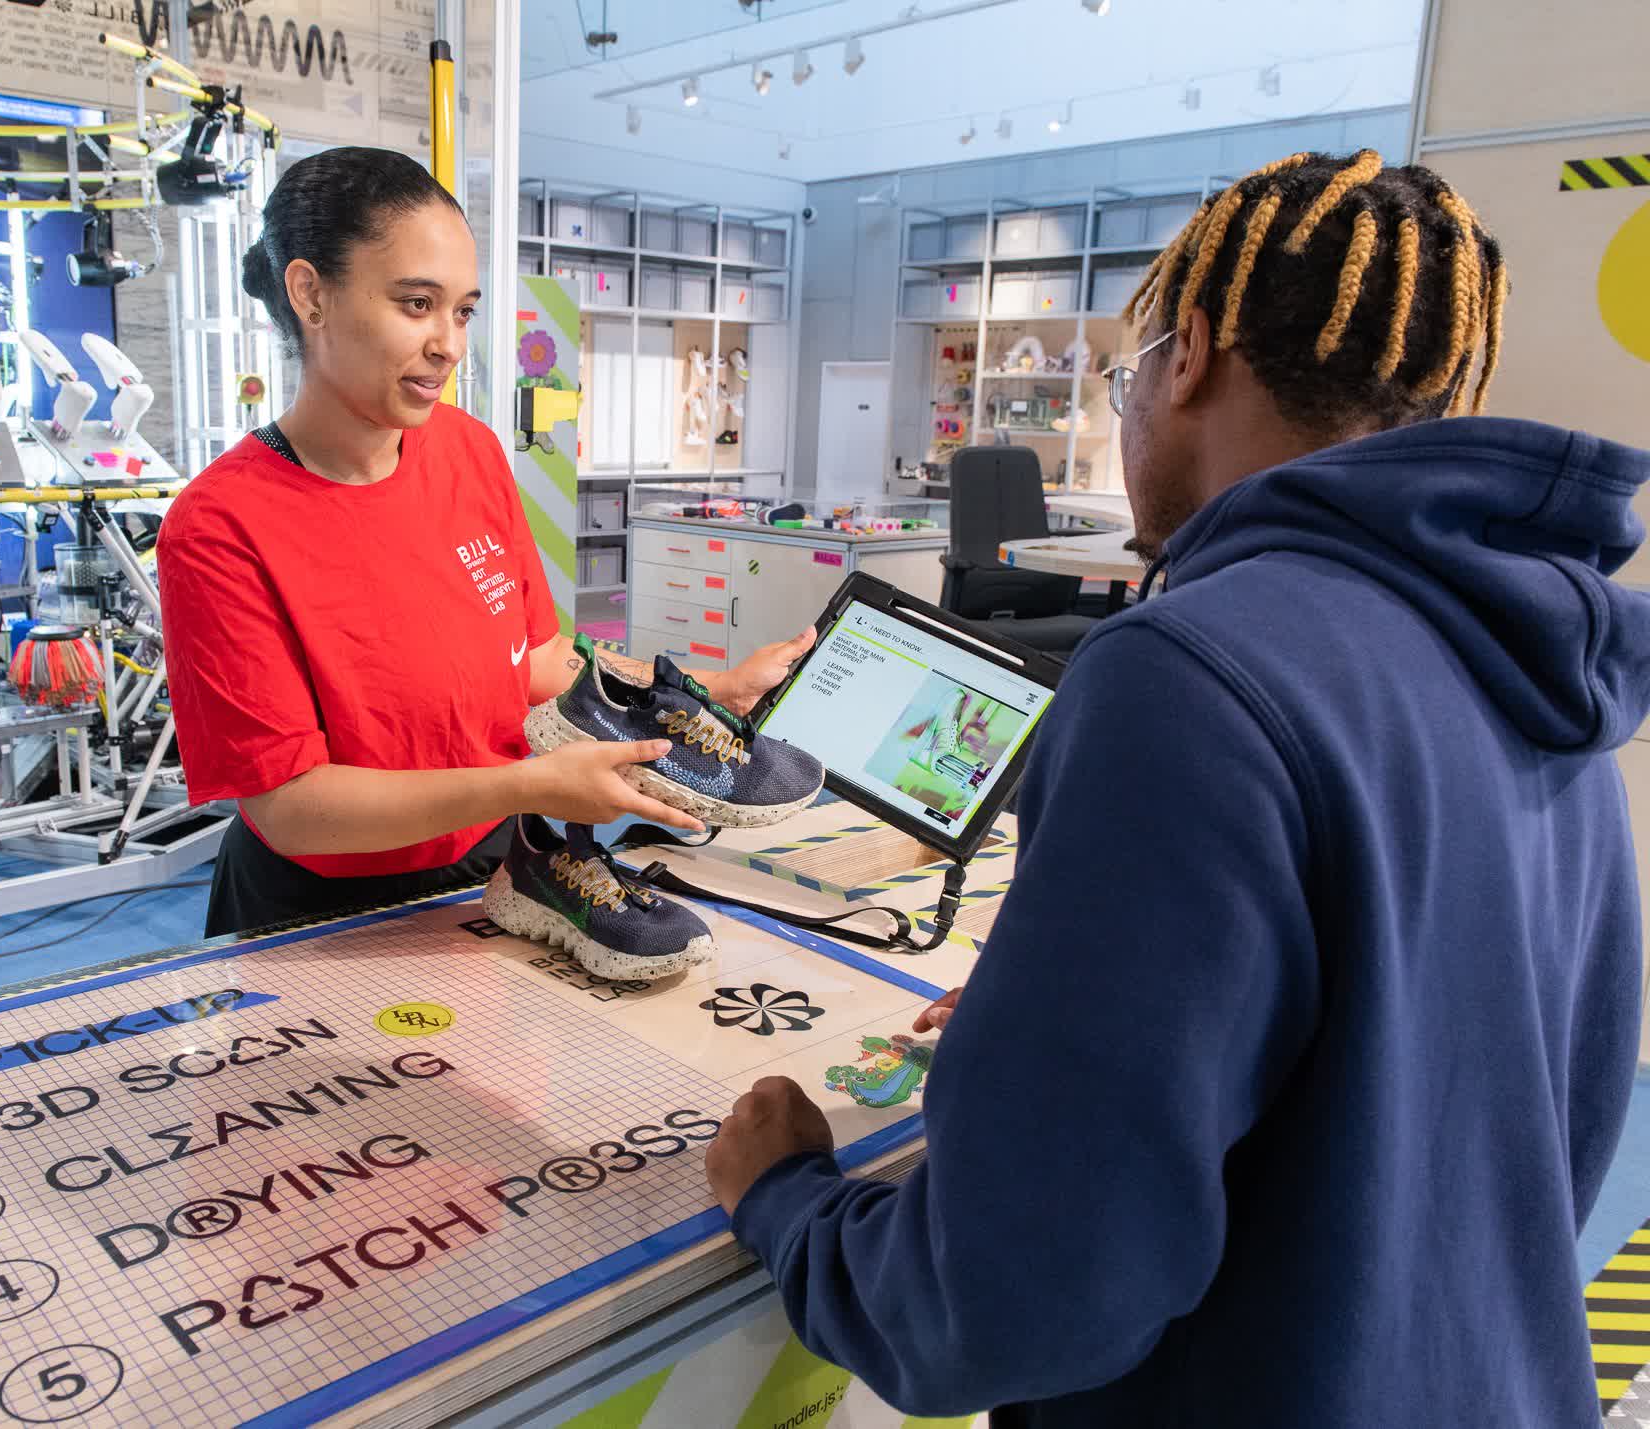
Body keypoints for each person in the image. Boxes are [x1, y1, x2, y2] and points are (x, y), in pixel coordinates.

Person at [704, 150, 1650, 1426]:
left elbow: (1002, 1298)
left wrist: (787, 1199)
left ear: (1188, 351)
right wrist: (1066, 1023)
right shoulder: (1535, 658)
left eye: (1127, 368)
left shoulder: (1189, 670)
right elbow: (1493, 1102)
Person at [157, 147, 812, 937]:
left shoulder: (467, 450)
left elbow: (534, 661)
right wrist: (523, 783)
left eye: (463, 310)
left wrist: (705, 689)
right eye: (416, 304)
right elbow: (290, 805)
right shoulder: (221, 527)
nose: (449, 345)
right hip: (320, 915)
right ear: (310, 294)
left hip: (498, 871)